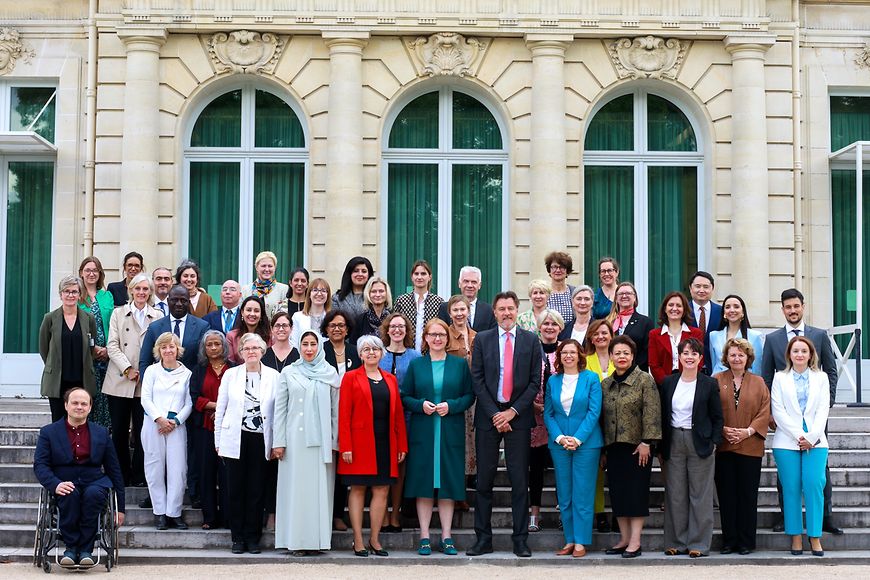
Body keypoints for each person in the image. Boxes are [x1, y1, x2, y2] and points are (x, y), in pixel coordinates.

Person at [467, 291, 543, 558]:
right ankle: (483, 539)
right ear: (495, 313)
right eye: (502, 309)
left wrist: (511, 412)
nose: (507, 313)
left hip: (518, 417)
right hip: (489, 416)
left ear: (517, 309)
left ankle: (520, 539)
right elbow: (476, 379)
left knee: (520, 481)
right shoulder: (483, 340)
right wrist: (495, 414)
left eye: (511, 308)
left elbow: (535, 381)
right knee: (484, 481)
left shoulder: (531, 341)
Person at [761, 288, 841, 535]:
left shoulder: (818, 335)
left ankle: (825, 516)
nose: (792, 310)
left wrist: (825, 407)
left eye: (796, 306)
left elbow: (831, 371)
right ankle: (787, 517)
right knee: (787, 471)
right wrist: (771, 414)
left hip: (815, 417)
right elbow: (766, 377)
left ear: (803, 306)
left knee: (819, 470)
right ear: (782, 309)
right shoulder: (773, 339)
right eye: (788, 307)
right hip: (786, 420)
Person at [402, 319, 474, 556]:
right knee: (424, 482)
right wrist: (420, 404)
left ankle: (446, 535)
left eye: (442, 334)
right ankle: (424, 535)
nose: (437, 338)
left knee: (447, 483)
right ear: (425, 338)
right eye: (432, 334)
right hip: (423, 429)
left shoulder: (459, 365)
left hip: (449, 428)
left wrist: (451, 406)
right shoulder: (417, 365)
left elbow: (469, 396)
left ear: (447, 337)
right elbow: (405, 397)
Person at [33, 388, 126, 568]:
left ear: (90, 408)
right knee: (70, 493)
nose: (79, 407)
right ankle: (71, 549)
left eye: (84, 403)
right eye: (75, 403)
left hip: (94, 481)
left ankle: (85, 551)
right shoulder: (48, 432)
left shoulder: (101, 433)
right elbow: (40, 465)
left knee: (93, 495)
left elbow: (114, 469)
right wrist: (55, 484)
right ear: (66, 405)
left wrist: (120, 508)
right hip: (63, 480)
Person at [137, 284, 210, 510]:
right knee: (155, 461)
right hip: (157, 403)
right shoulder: (156, 326)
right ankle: (157, 503)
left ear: (189, 301)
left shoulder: (202, 325)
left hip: (187, 398)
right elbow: (144, 359)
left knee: (182, 460)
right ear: (167, 301)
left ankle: (188, 497)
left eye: (183, 300)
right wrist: (157, 415)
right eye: (174, 300)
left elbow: (202, 361)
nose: (179, 304)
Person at [338, 335, 408, 557]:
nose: (371, 353)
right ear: (360, 354)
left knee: (382, 490)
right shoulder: (350, 378)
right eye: (366, 349)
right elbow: (344, 414)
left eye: (375, 349)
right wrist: (345, 445)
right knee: (358, 489)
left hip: (385, 442)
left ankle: (375, 539)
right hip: (358, 444)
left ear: (381, 353)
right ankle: (358, 540)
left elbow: (397, 416)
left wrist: (401, 446)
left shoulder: (390, 379)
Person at [273, 330, 341, 556]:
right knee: (295, 491)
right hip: (294, 441)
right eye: (305, 344)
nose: (309, 349)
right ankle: (296, 541)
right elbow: (280, 410)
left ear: (319, 347)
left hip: (321, 442)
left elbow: (335, 411)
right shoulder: (289, 372)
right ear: (299, 347)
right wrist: (278, 441)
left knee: (319, 491)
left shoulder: (329, 373)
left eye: (313, 344)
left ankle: (317, 541)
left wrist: (334, 441)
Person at [215, 333, 279, 554]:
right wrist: (218, 441)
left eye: (255, 348)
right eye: (247, 348)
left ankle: (253, 538)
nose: (251, 351)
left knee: (256, 490)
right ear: (240, 352)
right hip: (235, 438)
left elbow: (278, 413)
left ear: (263, 351)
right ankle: (237, 538)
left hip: (261, 439)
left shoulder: (273, 376)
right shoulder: (231, 375)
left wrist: (277, 442)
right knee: (235, 490)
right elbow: (220, 410)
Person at [660, 337, 724, 558]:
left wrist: (714, 441)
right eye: (685, 353)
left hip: (700, 442)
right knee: (676, 494)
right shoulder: (668, 382)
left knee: (701, 494)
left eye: (693, 353)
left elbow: (718, 417)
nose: (689, 357)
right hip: (674, 439)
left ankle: (699, 543)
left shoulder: (709, 383)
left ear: (700, 358)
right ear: (680, 356)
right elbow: (662, 414)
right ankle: (676, 542)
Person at [599, 335, 662, 558]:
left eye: (626, 353)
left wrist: (647, 442)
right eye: (617, 353)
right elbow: (601, 418)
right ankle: (623, 539)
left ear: (633, 356)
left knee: (635, 494)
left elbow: (653, 413)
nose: (622, 356)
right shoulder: (605, 384)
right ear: (611, 356)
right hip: (613, 447)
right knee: (618, 494)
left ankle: (635, 541)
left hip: (638, 448)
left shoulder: (644, 380)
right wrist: (603, 450)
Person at [770, 336, 830, 557]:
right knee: (792, 487)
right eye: (795, 351)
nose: (800, 355)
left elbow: (823, 408)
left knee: (814, 484)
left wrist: (812, 436)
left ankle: (814, 536)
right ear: (789, 354)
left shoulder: (821, 377)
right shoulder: (780, 378)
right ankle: (795, 536)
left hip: (816, 440)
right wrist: (798, 435)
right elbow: (778, 411)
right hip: (786, 441)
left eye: (804, 351)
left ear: (811, 354)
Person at [544, 339, 602, 558]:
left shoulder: (591, 378)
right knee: (565, 494)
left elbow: (594, 412)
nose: (568, 356)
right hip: (559, 445)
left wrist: (577, 439)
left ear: (580, 355)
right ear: (559, 357)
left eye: (572, 352)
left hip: (586, 444)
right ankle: (569, 539)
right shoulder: (553, 380)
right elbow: (548, 413)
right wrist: (559, 437)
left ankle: (581, 541)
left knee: (583, 493)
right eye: (564, 352)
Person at [105, 273, 163, 486]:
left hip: (144, 381)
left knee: (142, 432)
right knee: (119, 431)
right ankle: (120, 473)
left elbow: (159, 347)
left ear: (150, 292)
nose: (141, 293)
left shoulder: (157, 316)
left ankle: (140, 475)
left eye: (145, 289)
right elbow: (112, 345)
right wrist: (128, 368)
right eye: (137, 289)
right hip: (120, 379)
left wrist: (145, 372)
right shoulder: (118, 313)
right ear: (131, 290)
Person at [714, 337, 770, 555]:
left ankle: (746, 541)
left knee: (748, 496)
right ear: (726, 358)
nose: (736, 358)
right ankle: (729, 540)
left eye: (741, 355)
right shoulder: (716, 379)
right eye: (732, 354)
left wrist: (748, 431)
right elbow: (711, 410)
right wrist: (723, 430)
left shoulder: (759, 382)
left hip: (750, 447)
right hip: (725, 446)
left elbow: (765, 411)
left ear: (748, 358)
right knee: (727, 496)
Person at [140, 332, 193, 531]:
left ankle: (174, 513)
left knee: (177, 470)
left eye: (171, 346)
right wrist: (159, 419)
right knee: (154, 468)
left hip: (176, 427)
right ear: (158, 350)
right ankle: (160, 512)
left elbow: (189, 402)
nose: (168, 350)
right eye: (164, 347)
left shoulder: (187, 374)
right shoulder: (152, 372)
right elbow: (145, 398)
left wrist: (175, 421)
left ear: (178, 349)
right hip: (153, 425)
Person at [378, 312, 421, 532]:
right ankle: (382, 514)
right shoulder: (379, 355)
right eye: (393, 326)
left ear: (407, 330)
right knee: (384, 465)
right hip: (382, 417)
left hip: (407, 417)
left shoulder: (415, 357)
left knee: (401, 465)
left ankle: (396, 514)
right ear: (387, 330)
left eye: (401, 326)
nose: (397, 330)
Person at [189, 330, 234, 530]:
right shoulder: (198, 370)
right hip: (204, 428)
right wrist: (216, 407)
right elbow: (194, 397)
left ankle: (227, 516)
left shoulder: (233, 370)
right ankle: (209, 517)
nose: (214, 348)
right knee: (206, 472)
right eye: (210, 344)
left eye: (217, 344)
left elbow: (238, 396)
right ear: (204, 348)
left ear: (224, 346)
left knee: (227, 473)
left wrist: (224, 412)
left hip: (228, 429)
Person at [39, 276, 98, 422]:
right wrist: (54, 364)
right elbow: (44, 348)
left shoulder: (88, 318)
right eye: (67, 291)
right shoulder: (50, 318)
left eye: (74, 292)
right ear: (61, 294)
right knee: (58, 421)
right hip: (58, 380)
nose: (70, 295)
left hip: (81, 379)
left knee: (80, 421)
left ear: (79, 295)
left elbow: (91, 346)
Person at [259, 310, 298, 531]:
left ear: (291, 329)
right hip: (267, 420)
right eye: (278, 325)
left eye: (285, 325)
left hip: (292, 420)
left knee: (289, 469)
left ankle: (288, 513)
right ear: (272, 330)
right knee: (269, 471)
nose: (281, 329)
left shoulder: (299, 356)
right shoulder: (264, 355)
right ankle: (271, 512)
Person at [529, 309, 563, 532]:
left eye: (554, 324)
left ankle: (563, 511)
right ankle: (534, 514)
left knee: (562, 467)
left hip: (561, 417)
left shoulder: (566, 350)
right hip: (534, 416)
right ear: (539, 327)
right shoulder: (531, 349)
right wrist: (533, 404)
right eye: (545, 323)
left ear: (560, 327)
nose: (549, 327)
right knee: (536, 468)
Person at [445, 295, 477, 507]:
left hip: (473, 397)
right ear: (450, 313)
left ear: (468, 311)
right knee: (453, 444)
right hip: (451, 395)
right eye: (455, 310)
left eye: (462, 310)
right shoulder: (444, 335)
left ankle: (462, 492)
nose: (459, 314)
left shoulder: (477, 336)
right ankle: (453, 492)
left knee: (470, 447)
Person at [78, 256, 114, 428]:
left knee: (105, 400)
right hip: (85, 356)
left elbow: (113, 324)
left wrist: (108, 349)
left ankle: (103, 436)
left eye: (95, 270)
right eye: (88, 270)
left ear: (100, 274)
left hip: (107, 356)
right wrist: (92, 349)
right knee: (87, 396)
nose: (91, 274)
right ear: (81, 273)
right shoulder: (77, 297)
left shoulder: (107, 296)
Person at [648, 291, 704, 385]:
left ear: (684, 309)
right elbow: (654, 364)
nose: (674, 308)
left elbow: (699, 361)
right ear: (665, 309)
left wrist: (686, 381)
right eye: (670, 305)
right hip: (664, 385)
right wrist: (667, 383)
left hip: (690, 383)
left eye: (678, 305)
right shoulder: (654, 334)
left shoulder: (696, 333)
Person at [392, 260, 444, 352]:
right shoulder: (402, 301)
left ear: (430, 277)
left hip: (431, 353)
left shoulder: (438, 302)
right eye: (416, 274)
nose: (419, 277)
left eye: (423, 274)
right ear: (412, 277)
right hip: (406, 352)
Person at [709, 294, 764, 375]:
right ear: (724, 312)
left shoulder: (755, 336)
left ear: (743, 312)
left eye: (736, 307)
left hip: (745, 382)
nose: (732, 310)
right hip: (718, 382)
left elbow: (757, 368)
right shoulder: (713, 336)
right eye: (727, 307)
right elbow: (714, 364)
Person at [606, 282, 654, 371]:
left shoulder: (645, 322)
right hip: (612, 372)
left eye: (628, 293)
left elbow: (647, 352)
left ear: (635, 297)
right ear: (616, 298)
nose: (624, 296)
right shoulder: (608, 322)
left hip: (637, 373)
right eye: (621, 294)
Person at [437, 266, 497, 331]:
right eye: (466, 281)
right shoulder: (445, 308)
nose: (469, 285)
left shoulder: (489, 310)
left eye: (474, 282)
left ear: (479, 285)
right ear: (459, 284)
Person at [686, 271, 722, 374]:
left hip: (715, 371)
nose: (702, 290)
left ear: (712, 288)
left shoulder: (722, 312)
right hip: (689, 369)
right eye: (698, 286)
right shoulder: (682, 311)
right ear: (690, 288)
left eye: (706, 287)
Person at [241, 251, 290, 320]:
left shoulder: (284, 289)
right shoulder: (245, 290)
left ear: (275, 268)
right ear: (256, 267)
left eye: (270, 266)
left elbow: (284, 316)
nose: (267, 269)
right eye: (263, 266)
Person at [227, 295, 272, 364]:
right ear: (242, 312)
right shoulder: (231, 336)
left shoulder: (270, 336)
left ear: (261, 314)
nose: (252, 314)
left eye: (256, 311)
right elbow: (230, 363)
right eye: (248, 310)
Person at [290, 278, 331, 349]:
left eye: (323, 291)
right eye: (315, 290)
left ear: (328, 295)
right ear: (309, 294)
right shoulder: (297, 317)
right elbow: (294, 343)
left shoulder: (331, 318)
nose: (319, 294)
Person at [351, 276, 392, 345]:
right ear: (368, 294)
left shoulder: (392, 318)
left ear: (386, 293)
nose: (378, 294)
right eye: (374, 291)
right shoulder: (360, 320)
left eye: (381, 291)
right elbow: (354, 345)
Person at [322, 310, 362, 378]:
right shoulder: (320, 350)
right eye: (332, 325)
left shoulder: (356, 351)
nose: (337, 329)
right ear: (326, 329)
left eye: (341, 325)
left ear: (347, 329)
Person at [544, 251, 576, 327]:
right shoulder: (543, 292)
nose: (558, 270)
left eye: (562, 267)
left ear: (567, 271)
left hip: (569, 336)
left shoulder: (574, 292)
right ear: (549, 270)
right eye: (554, 267)